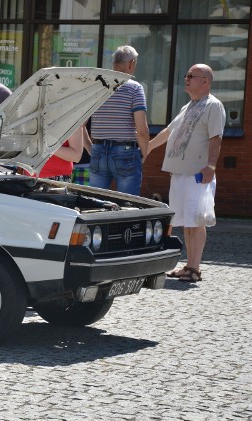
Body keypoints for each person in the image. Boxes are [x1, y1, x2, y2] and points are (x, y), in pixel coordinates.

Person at [148, 64, 226, 283]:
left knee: (196, 220)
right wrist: (148, 147)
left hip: (197, 173)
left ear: (205, 81)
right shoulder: (188, 106)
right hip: (180, 173)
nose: (187, 79)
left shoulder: (214, 106)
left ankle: (195, 268)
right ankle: (189, 265)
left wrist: (211, 166)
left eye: (192, 76)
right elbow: (169, 131)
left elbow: (216, 137)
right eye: (187, 75)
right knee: (186, 221)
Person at [86, 45, 149, 195]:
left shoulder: (98, 87)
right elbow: (141, 130)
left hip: (98, 150)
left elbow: (80, 125)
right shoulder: (135, 88)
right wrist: (144, 154)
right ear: (131, 63)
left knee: (94, 205)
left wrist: (92, 149)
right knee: (129, 205)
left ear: (113, 63)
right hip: (125, 151)